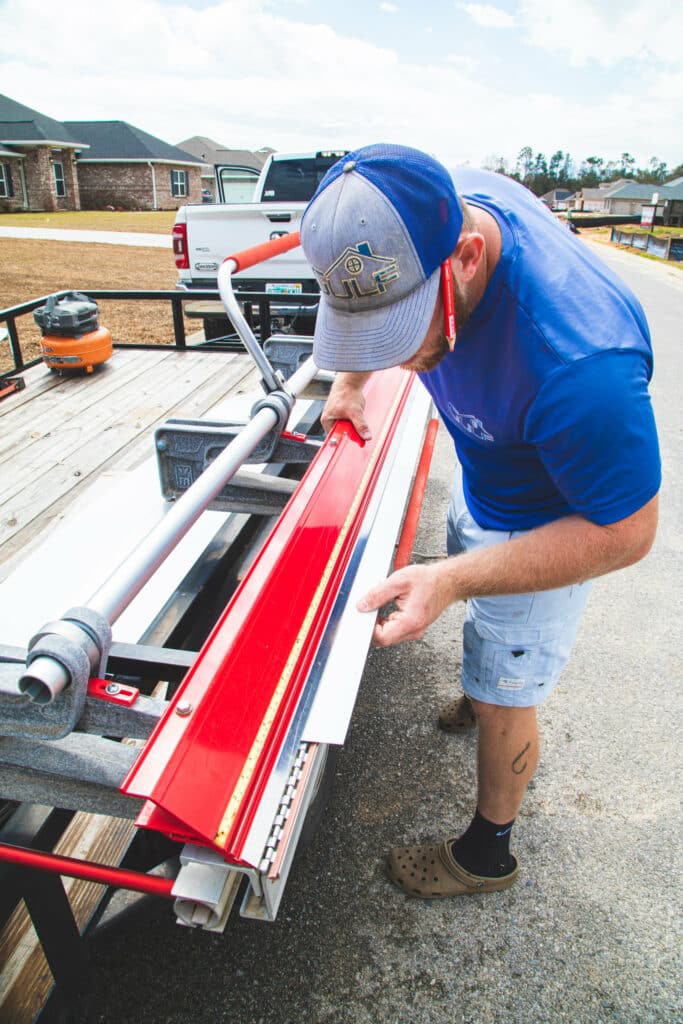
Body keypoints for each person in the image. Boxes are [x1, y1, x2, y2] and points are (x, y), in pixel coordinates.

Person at [300, 143, 660, 899]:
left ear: (465, 257)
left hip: (548, 524)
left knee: (508, 685)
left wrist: (456, 579)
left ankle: (485, 855)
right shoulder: (425, 207)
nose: (402, 360)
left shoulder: (581, 363)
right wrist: (349, 381)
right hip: (485, 472)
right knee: (469, 612)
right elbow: (375, 298)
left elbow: (625, 532)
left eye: (405, 332)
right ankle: (478, 684)